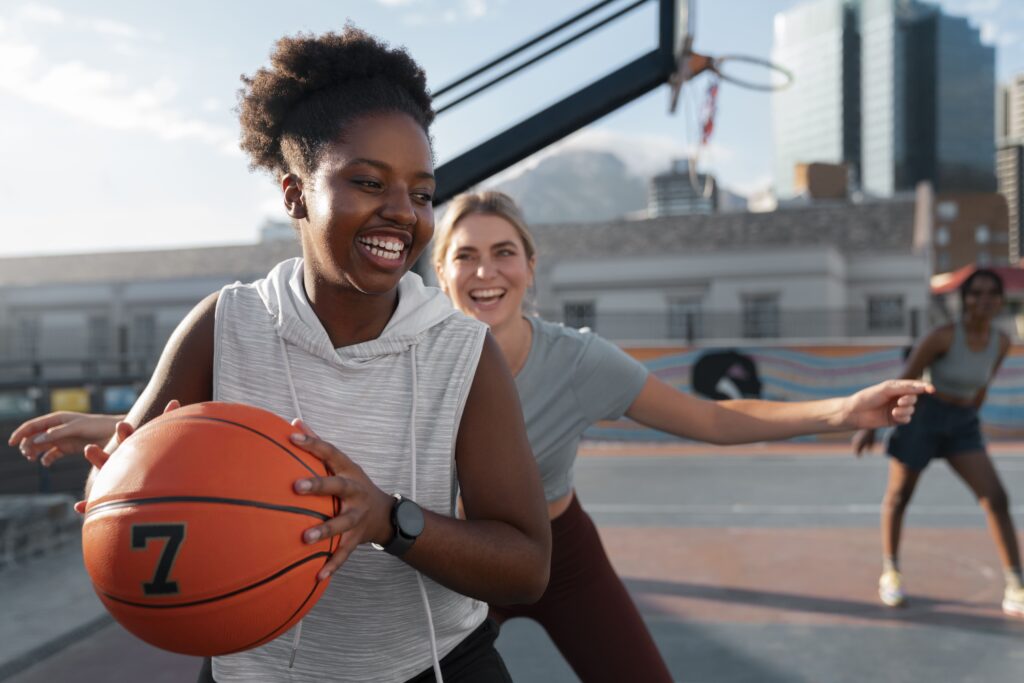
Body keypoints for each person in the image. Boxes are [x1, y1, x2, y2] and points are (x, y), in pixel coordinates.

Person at [11, 29, 552, 683]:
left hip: (428, 665)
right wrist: (116, 487)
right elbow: (129, 486)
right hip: (254, 667)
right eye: (367, 181)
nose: (401, 213)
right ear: (294, 192)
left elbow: (526, 565)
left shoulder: (462, 351)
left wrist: (388, 518)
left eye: (420, 192)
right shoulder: (225, 324)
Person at [853, 268, 1022, 618]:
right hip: (925, 416)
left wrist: (971, 418)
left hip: (962, 423)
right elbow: (903, 381)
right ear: (965, 299)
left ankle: (1016, 584)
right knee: (900, 497)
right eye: (976, 293)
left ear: (1000, 300)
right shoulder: (942, 336)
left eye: (991, 293)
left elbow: (982, 385)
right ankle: (891, 572)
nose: (984, 299)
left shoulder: (1001, 342)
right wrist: (870, 425)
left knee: (996, 498)